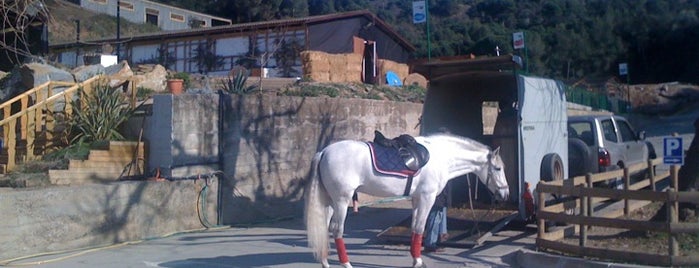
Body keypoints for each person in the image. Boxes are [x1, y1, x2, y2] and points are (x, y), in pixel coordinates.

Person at [424, 188, 448, 253]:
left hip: (440, 196)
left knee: (438, 217)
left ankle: (433, 241)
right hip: (437, 197)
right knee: (435, 219)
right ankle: (430, 244)